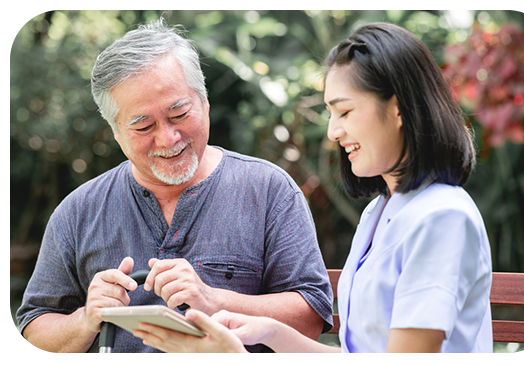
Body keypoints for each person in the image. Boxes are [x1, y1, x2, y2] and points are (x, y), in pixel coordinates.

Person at [132, 22, 493, 353]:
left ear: (398, 109)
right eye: (330, 114)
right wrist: (269, 332)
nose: (333, 132)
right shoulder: (380, 212)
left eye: (345, 112)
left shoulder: (442, 217)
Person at [16, 18, 334, 353]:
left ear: (205, 103)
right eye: (143, 126)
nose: (168, 138)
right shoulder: (77, 211)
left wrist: (212, 300)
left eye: (179, 114)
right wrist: (85, 319)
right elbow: (38, 341)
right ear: (116, 133)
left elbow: (312, 316)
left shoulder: (269, 190)